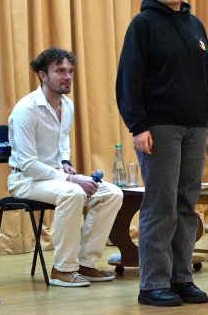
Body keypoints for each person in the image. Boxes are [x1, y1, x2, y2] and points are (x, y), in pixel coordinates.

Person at [116, 0, 208, 307]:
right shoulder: (143, 24)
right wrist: (138, 126)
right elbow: (129, 79)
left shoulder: (195, 25)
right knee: (161, 205)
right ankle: (153, 283)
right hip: (159, 128)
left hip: (196, 127)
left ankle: (181, 277)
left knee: (186, 205)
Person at [7, 48, 123, 287]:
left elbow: (63, 143)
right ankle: (62, 269)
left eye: (70, 71)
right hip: (25, 180)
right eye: (60, 71)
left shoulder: (67, 105)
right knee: (73, 192)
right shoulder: (26, 110)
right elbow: (29, 165)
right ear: (42, 75)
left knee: (112, 193)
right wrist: (71, 180)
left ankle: (85, 263)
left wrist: (66, 164)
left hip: (55, 177)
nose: (68, 77)